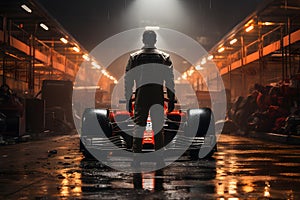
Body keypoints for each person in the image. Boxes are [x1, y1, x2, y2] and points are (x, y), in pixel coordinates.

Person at [124, 30, 175, 155]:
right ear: (155, 40)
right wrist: (171, 99)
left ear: (143, 40)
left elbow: (128, 80)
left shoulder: (134, 57)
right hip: (157, 94)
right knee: (158, 128)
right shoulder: (164, 57)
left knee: (138, 127)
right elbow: (170, 81)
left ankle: (136, 159)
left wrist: (128, 98)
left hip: (141, 94)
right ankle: (159, 158)